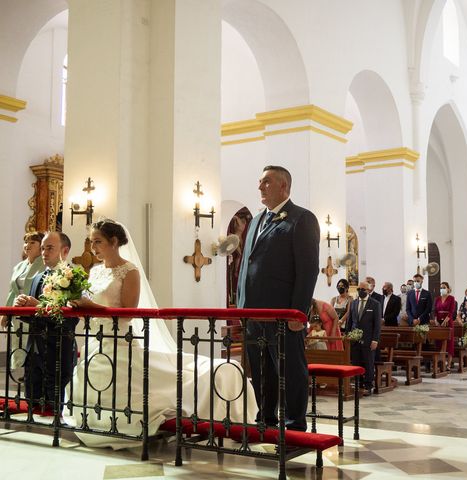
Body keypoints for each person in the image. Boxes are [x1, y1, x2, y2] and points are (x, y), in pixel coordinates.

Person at [71, 220, 257, 448]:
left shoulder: (129, 271)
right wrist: (79, 309)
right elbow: (91, 307)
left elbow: (128, 313)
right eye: (91, 242)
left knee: (148, 382)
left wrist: (93, 309)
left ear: (114, 241)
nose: (93, 247)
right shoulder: (96, 271)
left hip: (120, 340)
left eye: (98, 242)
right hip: (96, 340)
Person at [237, 165, 320, 432]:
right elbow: (246, 265)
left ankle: (294, 423)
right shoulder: (256, 221)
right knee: (261, 372)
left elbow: (308, 269)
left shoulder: (301, 219)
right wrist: (241, 306)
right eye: (260, 182)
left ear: (284, 186)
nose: (260, 187)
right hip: (253, 314)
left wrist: (299, 312)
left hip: (283, 314)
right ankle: (266, 419)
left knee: (289, 370)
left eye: (267, 182)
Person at [13, 232, 78, 408]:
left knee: (56, 405)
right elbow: (33, 313)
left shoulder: (73, 278)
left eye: (50, 248)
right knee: (33, 402)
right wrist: (23, 306)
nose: (44, 252)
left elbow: (71, 319)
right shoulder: (36, 278)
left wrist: (39, 306)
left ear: (65, 251)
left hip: (58, 347)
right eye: (42, 248)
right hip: (34, 347)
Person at [1, 232, 45, 368]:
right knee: (17, 346)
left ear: (40, 246)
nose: (28, 245)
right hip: (17, 312)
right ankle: (20, 373)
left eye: (33, 242)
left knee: (31, 350)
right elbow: (12, 292)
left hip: (33, 312)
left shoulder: (44, 265)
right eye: (26, 242)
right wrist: (6, 313)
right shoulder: (19, 266)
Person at [345, 281, 381, 396]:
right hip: (355, 339)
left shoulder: (375, 304)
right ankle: (358, 384)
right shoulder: (354, 303)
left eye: (363, 289)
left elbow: (377, 324)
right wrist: (347, 335)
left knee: (368, 362)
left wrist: (375, 340)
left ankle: (368, 385)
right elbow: (350, 321)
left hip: (368, 339)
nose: (360, 291)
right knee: (356, 362)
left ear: (368, 290)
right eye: (359, 289)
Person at [434, 281, 456, 370]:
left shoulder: (451, 298)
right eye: (441, 287)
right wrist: (435, 320)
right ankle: (440, 363)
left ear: (448, 289)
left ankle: (449, 364)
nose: (442, 289)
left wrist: (446, 320)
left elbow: (451, 311)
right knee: (439, 342)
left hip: (448, 322)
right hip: (438, 321)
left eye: (444, 287)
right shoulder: (437, 298)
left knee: (449, 343)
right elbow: (435, 310)